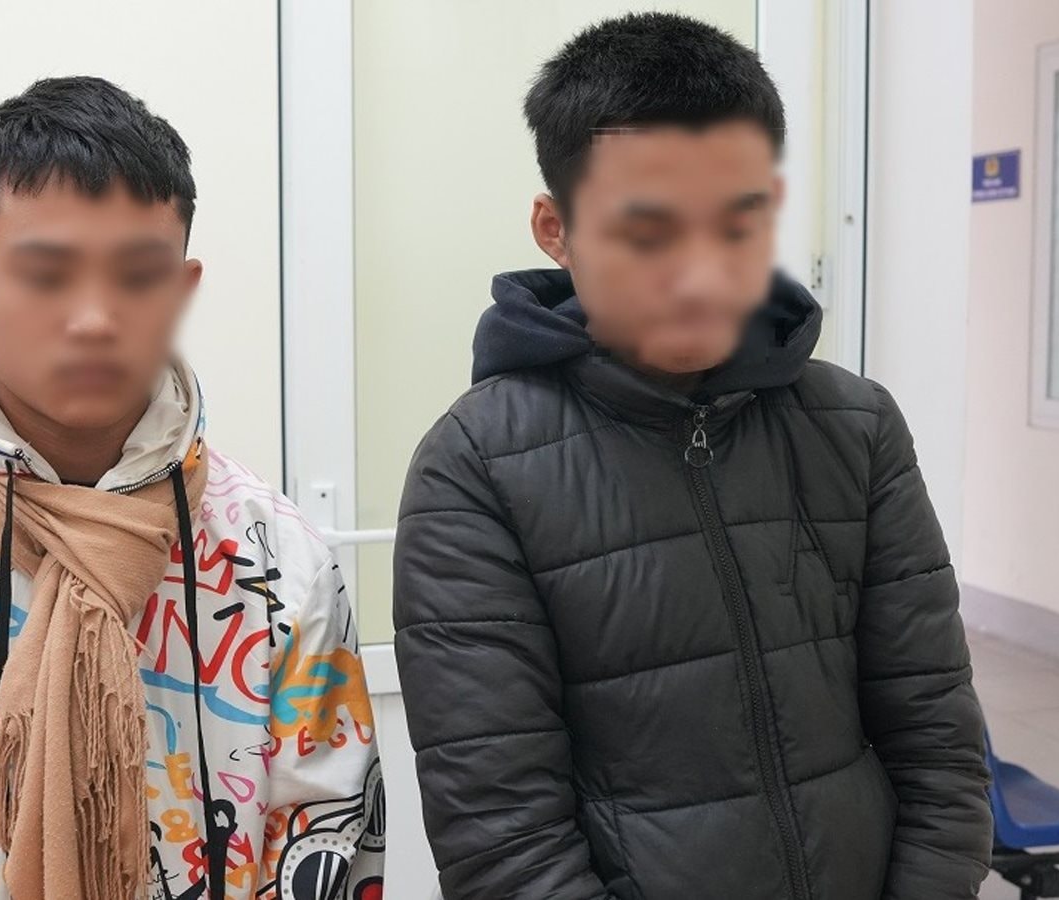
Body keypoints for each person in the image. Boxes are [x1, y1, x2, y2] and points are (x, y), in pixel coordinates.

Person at [393, 13, 991, 900]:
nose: (703, 274)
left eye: (737, 228)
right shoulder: (476, 467)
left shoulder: (856, 426)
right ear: (556, 228)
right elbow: (503, 834)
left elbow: (937, 739)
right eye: (649, 233)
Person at [0, 76, 385, 900]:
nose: (93, 319)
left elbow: (327, 844)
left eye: (138, 276)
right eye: (47, 276)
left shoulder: (280, 561)